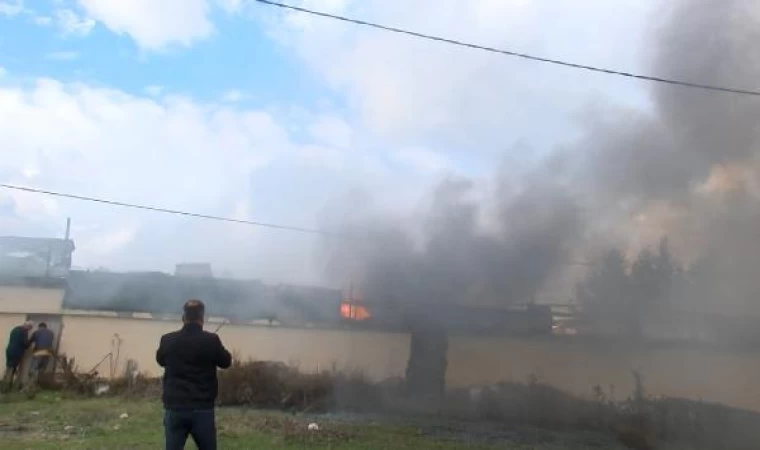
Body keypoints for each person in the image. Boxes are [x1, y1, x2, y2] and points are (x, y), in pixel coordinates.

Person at [157, 299, 231, 450]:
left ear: (183, 318)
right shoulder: (212, 340)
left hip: (175, 408)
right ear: (202, 318)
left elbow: (161, 360)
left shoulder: (167, 340)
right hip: (202, 409)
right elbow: (226, 362)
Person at [3, 321, 33, 391]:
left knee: (8, 367)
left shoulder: (15, 329)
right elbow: (25, 344)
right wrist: (30, 341)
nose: (29, 330)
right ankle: (6, 387)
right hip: (17, 352)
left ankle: (4, 384)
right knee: (12, 368)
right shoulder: (24, 331)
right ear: (28, 326)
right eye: (30, 328)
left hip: (9, 350)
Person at [27, 322, 55, 388]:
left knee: (33, 369)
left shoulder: (36, 332)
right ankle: (38, 385)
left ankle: (30, 385)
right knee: (42, 370)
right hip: (47, 353)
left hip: (38, 353)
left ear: (39, 327)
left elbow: (30, 341)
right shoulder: (51, 333)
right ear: (46, 327)